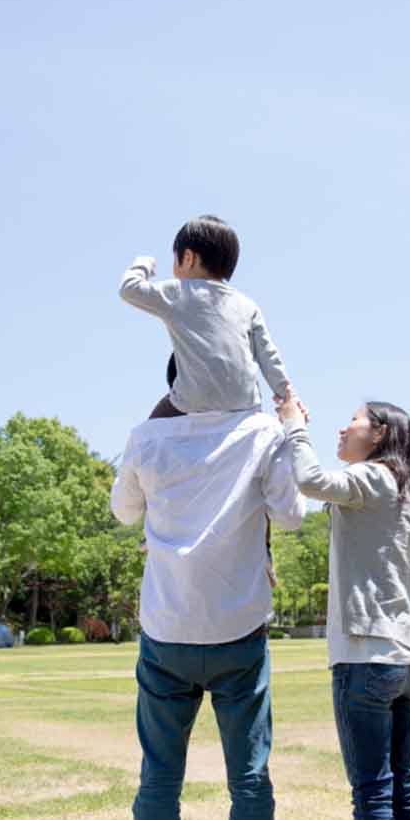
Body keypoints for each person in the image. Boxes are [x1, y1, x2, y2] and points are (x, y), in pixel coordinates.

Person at [110, 402, 305, 820]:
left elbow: (124, 512)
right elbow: (292, 515)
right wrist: (291, 430)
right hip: (238, 630)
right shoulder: (260, 431)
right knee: (250, 781)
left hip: (167, 630)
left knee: (159, 782)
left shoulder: (147, 436)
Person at [276, 391, 410, 820]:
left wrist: (292, 425)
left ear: (381, 435)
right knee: (403, 789)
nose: (343, 429)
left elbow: (311, 480)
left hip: (367, 656)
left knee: (372, 792)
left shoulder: (374, 477)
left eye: (354, 421)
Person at [119, 215, 290, 584]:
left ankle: (152, 526)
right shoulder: (246, 304)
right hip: (245, 405)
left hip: (191, 399)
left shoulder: (179, 293)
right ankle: (265, 549)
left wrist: (143, 263)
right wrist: (286, 394)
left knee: (148, 437)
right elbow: (268, 356)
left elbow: (129, 289)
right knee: (258, 478)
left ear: (189, 258)